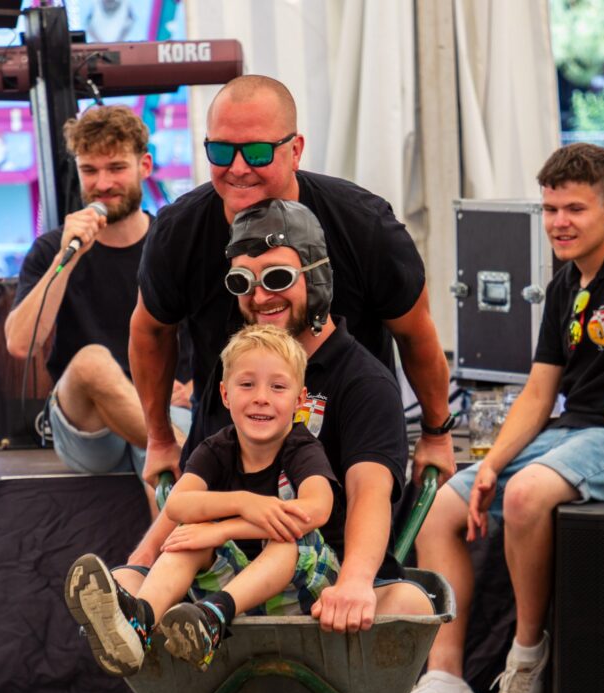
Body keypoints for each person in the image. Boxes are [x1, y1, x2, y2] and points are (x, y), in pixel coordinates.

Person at [114, 199, 435, 693]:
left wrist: (355, 583)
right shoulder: (238, 373)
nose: (260, 296)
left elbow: (369, 494)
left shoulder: (361, 380)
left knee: (412, 607)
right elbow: (196, 484)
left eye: (279, 277)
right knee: (129, 583)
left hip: (325, 573)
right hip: (235, 569)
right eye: (243, 282)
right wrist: (137, 567)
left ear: (316, 276)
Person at [397, 142, 604, 693]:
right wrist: (492, 462)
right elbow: (539, 391)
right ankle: (446, 676)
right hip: (572, 431)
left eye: (574, 209)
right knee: (440, 507)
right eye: (550, 209)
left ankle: (525, 656)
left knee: (525, 495)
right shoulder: (564, 284)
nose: (559, 223)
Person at [127, 73, 456, 492]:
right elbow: (150, 332)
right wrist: (158, 437)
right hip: (225, 452)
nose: (238, 167)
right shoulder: (180, 231)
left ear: (295, 150)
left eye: (258, 152)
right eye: (222, 151)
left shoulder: (364, 226)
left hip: (347, 450)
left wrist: (436, 432)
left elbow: (415, 333)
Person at [4, 104, 179, 693]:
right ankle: (181, 460)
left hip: (159, 412)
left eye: (115, 168)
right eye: (90, 170)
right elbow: (20, 343)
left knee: (155, 467)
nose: (103, 183)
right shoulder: (55, 247)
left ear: (144, 166)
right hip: (89, 425)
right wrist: (68, 257)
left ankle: (158, 672)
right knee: (94, 362)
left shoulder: (171, 241)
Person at [65, 324, 341, 677]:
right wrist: (243, 503)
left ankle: (213, 617)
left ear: (299, 400)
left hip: (301, 591)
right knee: (187, 537)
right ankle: (140, 623)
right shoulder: (217, 448)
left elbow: (317, 508)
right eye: (247, 384)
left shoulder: (301, 447)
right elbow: (177, 505)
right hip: (234, 586)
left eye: (277, 387)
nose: (261, 397)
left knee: (287, 537)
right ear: (225, 394)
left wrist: (223, 530)